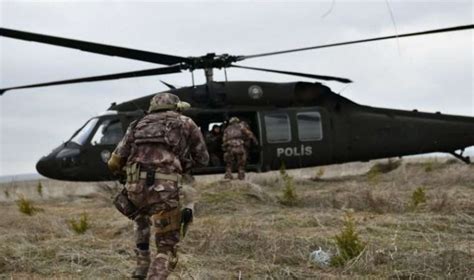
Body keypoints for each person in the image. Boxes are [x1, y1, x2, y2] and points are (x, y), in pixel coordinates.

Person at [107, 93, 209, 280]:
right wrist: (182, 163)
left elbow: (114, 162)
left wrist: (128, 179)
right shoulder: (185, 122)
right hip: (164, 190)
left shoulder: (137, 124)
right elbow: (203, 159)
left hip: (135, 188)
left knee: (141, 218)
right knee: (166, 247)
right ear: (176, 107)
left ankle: (141, 266)